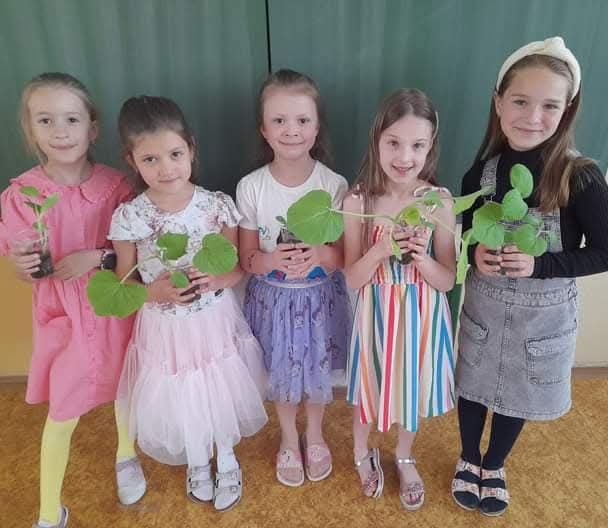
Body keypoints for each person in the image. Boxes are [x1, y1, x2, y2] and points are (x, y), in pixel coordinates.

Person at [452, 36, 608, 517]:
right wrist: (474, 252)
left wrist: (540, 265)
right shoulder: (480, 174)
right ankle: (468, 456)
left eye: (549, 106)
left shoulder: (580, 176)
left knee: (516, 392)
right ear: (499, 103)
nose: (533, 116)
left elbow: (603, 251)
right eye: (520, 101)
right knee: (474, 382)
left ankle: (493, 464)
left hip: (542, 319)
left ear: (567, 109)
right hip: (485, 307)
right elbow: (465, 235)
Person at [110, 95, 267, 512]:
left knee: (218, 384)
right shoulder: (130, 217)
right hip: (165, 326)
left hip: (212, 318)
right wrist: (154, 292)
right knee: (182, 389)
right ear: (132, 160)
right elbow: (123, 284)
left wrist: (215, 279)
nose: (166, 169)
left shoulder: (216, 206)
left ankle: (227, 457)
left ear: (192, 149)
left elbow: (237, 269)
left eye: (175, 154)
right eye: (151, 159)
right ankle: (198, 460)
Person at [0, 73, 143, 528]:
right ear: (30, 129)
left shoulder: (118, 187)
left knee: (126, 386)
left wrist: (96, 257)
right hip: (63, 317)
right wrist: (24, 265)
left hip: (114, 308)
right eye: (45, 120)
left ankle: (126, 453)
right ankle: (49, 511)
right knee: (62, 411)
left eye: (71, 120)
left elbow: (136, 254)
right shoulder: (21, 195)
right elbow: (21, 264)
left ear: (92, 128)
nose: (60, 131)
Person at [237, 69, 351, 487]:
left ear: (317, 127)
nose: (291, 130)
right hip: (274, 299)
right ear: (263, 129)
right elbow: (246, 258)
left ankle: (314, 434)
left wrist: (320, 254)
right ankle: (288, 437)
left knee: (316, 371)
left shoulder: (334, 185)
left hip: (319, 296)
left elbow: (344, 255)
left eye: (302, 120)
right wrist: (269, 261)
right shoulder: (251, 187)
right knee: (282, 374)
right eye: (279, 120)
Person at [343, 88, 456, 510]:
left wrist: (421, 257)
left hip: (422, 316)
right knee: (368, 387)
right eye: (393, 142)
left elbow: (447, 281)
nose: (404, 156)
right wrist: (379, 250)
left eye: (417, 145)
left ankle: (404, 455)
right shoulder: (358, 200)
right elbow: (353, 278)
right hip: (375, 312)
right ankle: (361, 451)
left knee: (411, 387)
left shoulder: (438, 201)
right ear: (377, 140)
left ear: (430, 147)